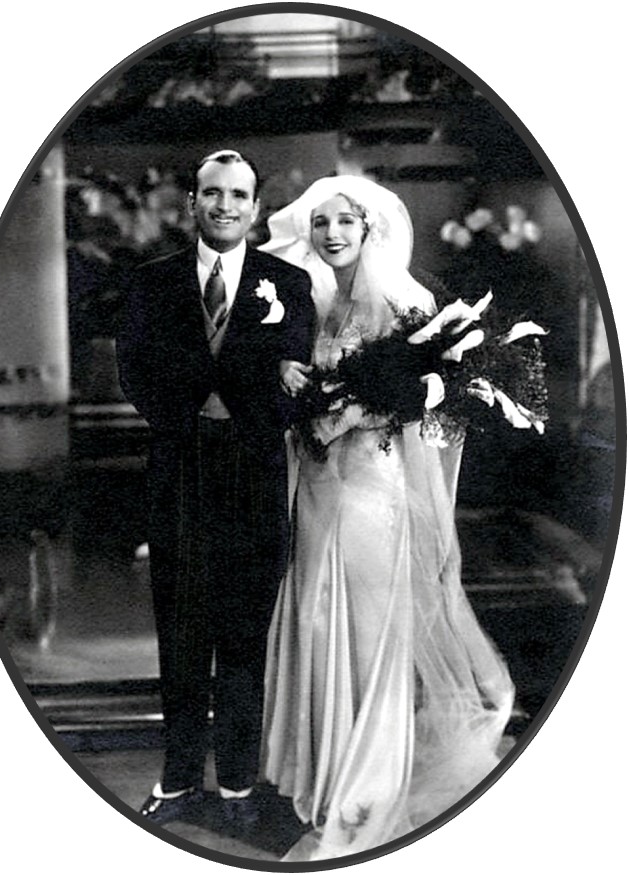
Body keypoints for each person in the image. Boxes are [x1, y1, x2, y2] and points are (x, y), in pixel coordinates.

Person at [260, 176, 515, 861]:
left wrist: (354, 413)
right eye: (320, 223)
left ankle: (368, 785)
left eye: (345, 221)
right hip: (316, 485)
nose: (332, 234)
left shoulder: (407, 303)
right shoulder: (312, 302)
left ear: (369, 227)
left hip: (374, 488)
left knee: (371, 635)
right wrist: (299, 399)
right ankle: (324, 776)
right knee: (318, 622)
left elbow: (425, 408)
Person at [116, 149, 315, 826]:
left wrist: (252, 414)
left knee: (243, 637)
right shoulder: (152, 282)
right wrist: (188, 421)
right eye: (212, 193)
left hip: (254, 473)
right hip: (179, 468)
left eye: (237, 195)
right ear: (192, 203)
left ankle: (235, 786)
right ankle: (176, 781)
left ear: (256, 208)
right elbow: (134, 371)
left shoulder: (287, 283)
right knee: (179, 633)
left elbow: (297, 375)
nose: (224, 205)